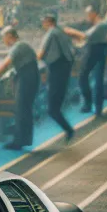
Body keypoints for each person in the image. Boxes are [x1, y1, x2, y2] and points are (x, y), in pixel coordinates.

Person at [0, 26, 40, 150]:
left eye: (4, 38)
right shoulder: (22, 45)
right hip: (28, 76)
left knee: (21, 108)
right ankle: (23, 139)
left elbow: (5, 64)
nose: (3, 41)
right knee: (24, 109)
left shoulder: (18, 46)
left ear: (9, 36)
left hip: (27, 78)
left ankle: (19, 141)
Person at [64, 6, 107, 118]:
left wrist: (71, 32)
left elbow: (85, 36)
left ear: (94, 13)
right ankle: (97, 107)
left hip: (95, 51)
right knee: (97, 78)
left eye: (88, 14)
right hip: (100, 50)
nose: (87, 17)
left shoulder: (101, 25)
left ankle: (89, 104)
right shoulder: (100, 25)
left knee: (84, 77)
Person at [38, 13, 76, 141]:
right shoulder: (61, 32)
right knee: (56, 106)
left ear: (49, 22)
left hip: (56, 71)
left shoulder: (51, 33)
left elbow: (41, 54)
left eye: (44, 21)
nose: (42, 24)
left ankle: (69, 130)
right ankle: (68, 129)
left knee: (52, 109)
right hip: (64, 70)